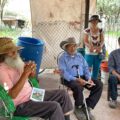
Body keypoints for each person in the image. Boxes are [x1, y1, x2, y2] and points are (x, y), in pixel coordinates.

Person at [0, 37, 73, 120]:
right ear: (2, 55)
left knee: (63, 95)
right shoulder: (2, 71)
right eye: (11, 52)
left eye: (15, 50)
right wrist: (25, 73)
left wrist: (32, 72)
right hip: (20, 105)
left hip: (32, 94)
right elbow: (12, 95)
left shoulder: (14, 62)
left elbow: (32, 79)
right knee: (54, 107)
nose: (15, 53)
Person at [58, 37, 103, 120]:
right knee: (78, 86)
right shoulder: (62, 58)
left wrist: (89, 78)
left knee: (99, 84)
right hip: (69, 79)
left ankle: (87, 106)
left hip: (82, 77)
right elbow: (63, 72)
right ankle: (78, 107)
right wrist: (77, 80)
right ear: (66, 47)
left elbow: (86, 68)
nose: (73, 48)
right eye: (70, 46)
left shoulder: (79, 56)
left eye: (74, 46)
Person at [83, 15, 105, 80]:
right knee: (88, 68)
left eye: (96, 21)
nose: (94, 22)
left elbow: (102, 40)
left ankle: (94, 83)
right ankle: (87, 82)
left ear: (98, 21)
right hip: (89, 52)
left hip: (98, 53)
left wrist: (100, 47)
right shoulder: (87, 30)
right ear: (91, 22)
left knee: (96, 68)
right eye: (93, 21)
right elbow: (85, 41)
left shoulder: (101, 30)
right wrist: (90, 47)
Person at [108, 37, 120, 109]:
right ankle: (113, 99)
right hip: (117, 75)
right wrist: (118, 75)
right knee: (112, 78)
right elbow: (110, 67)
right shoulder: (113, 53)